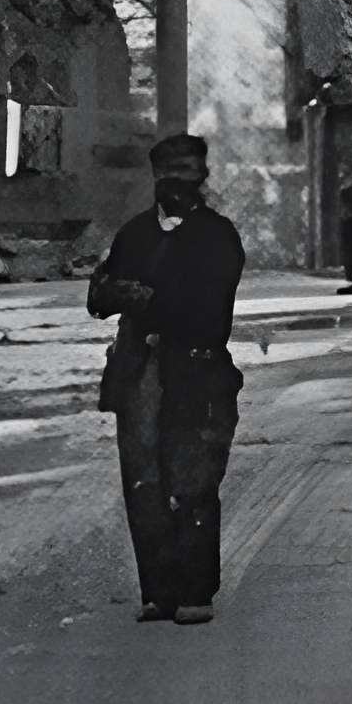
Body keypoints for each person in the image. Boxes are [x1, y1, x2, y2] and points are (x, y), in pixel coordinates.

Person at [87, 132, 245, 626]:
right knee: (144, 482)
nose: (178, 184)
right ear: (155, 177)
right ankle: (157, 592)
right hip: (138, 375)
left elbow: (208, 308)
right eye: (168, 174)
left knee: (193, 478)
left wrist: (141, 297)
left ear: (202, 178)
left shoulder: (218, 236)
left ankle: (195, 589)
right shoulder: (133, 233)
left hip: (196, 371)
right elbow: (97, 298)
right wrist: (119, 292)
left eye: (188, 174)